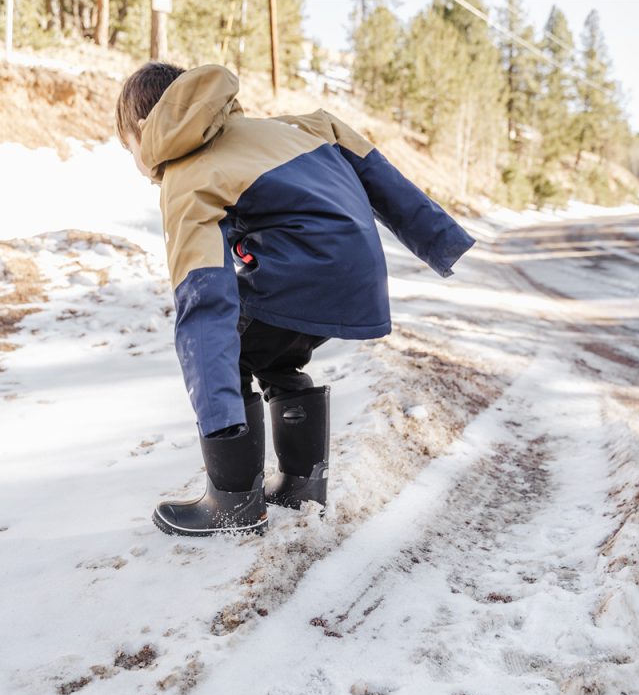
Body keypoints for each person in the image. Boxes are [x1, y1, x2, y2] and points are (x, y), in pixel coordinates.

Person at [115, 61, 475, 538]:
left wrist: (217, 407)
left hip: (302, 276)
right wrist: (438, 238)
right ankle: (302, 484)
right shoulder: (301, 126)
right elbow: (381, 175)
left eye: (128, 147)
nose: (135, 161)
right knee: (274, 348)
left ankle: (234, 500)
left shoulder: (188, 173)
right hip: (361, 277)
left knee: (230, 354)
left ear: (144, 129)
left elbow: (204, 295)